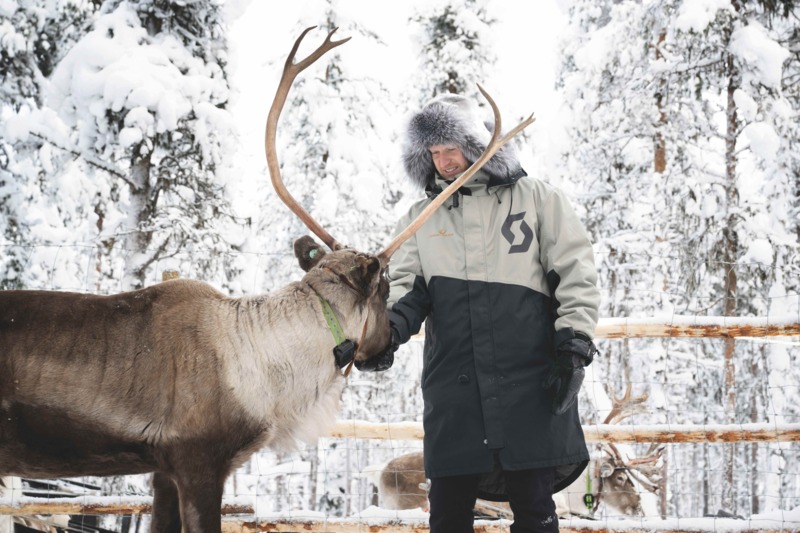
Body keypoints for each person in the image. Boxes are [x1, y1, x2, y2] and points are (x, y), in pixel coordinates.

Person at [358, 94, 600, 532]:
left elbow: (576, 273)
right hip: (456, 389)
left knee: (535, 512)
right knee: (448, 516)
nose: (444, 161)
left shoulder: (538, 200)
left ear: (478, 143)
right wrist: (385, 335)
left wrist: (574, 347)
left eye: (451, 148)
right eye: (433, 152)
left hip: (531, 381)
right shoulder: (421, 218)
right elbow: (405, 290)